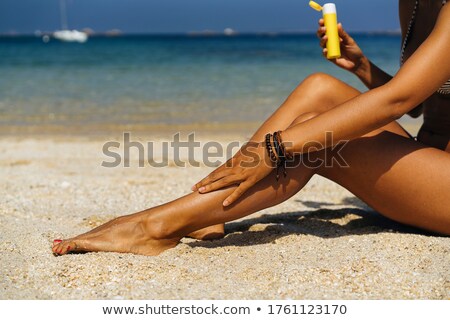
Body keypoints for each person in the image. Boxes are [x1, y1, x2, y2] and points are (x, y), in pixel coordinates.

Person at [52, 0, 450, 256]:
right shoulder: (414, 2)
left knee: (313, 139)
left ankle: (156, 226)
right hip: (430, 164)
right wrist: (361, 67)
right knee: (319, 89)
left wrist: (277, 148)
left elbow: (396, 102)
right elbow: (418, 104)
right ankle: (211, 206)